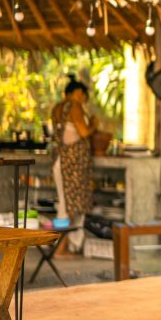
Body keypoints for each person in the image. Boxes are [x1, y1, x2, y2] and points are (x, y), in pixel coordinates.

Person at [51, 76, 98, 253]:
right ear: (77, 92)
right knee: (70, 206)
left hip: (60, 160)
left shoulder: (57, 107)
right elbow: (83, 132)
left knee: (65, 203)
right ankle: (61, 248)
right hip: (72, 163)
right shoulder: (74, 106)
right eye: (83, 95)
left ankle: (66, 246)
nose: (84, 99)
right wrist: (93, 125)